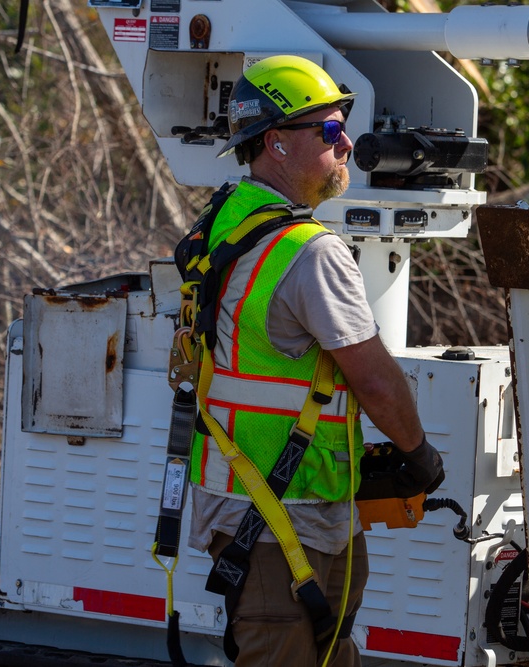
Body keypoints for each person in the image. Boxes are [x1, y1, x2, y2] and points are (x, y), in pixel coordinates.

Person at [184, 55, 444, 667]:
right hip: (285, 513)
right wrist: (419, 457)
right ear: (275, 143)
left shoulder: (227, 218)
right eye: (329, 132)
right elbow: (374, 377)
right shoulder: (310, 252)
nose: (348, 144)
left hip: (253, 504)